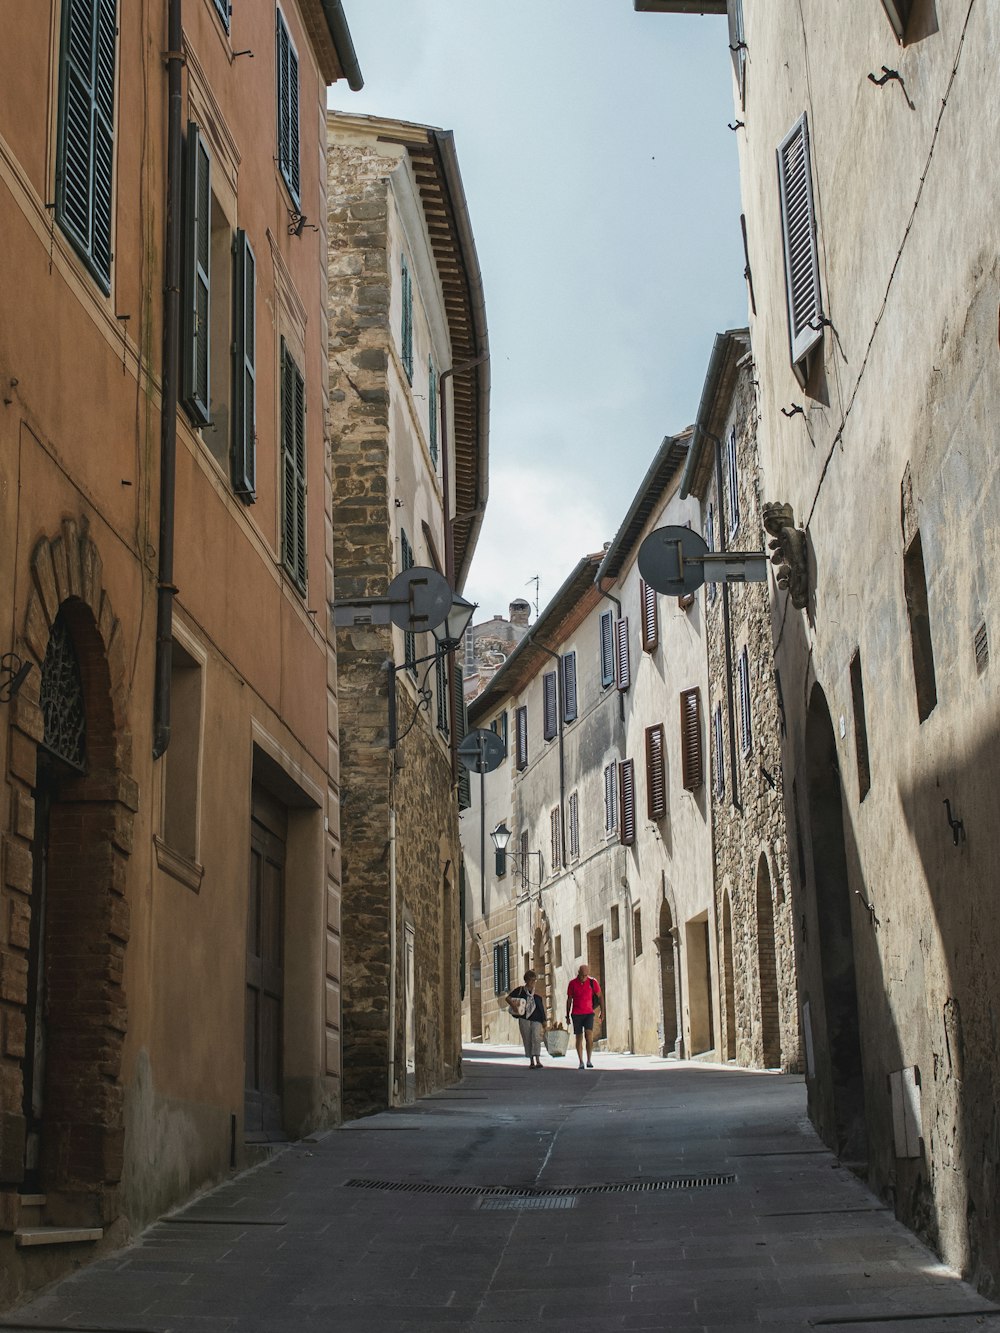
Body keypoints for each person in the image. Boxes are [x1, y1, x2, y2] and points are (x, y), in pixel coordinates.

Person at [566, 963, 603, 1069]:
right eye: (582, 975)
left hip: (588, 1013)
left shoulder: (592, 982)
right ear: (578, 974)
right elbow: (569, 1000)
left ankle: (589, 1060)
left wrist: (602, 1012)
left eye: (586, 975)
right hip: (576, 1014)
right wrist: (567, 1015)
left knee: (589, 1035)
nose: (584, 977)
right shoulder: (572, 984)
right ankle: (581, 1061)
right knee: (579, 1037)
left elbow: (600, 997)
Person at [506, 970, 546, 1068]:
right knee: (527, 1038)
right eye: (531, 980)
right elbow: (508, 998)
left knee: (536, 1038)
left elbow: (541, 1006)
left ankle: (538, 1059)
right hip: (524, 1018)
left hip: (536, 1018)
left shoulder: (537, 991)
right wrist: (514, 1006)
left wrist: (544, 1020)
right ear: (526, 980)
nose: (533, 982)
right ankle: (531, 1060)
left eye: (534, 980)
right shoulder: (520, 990)